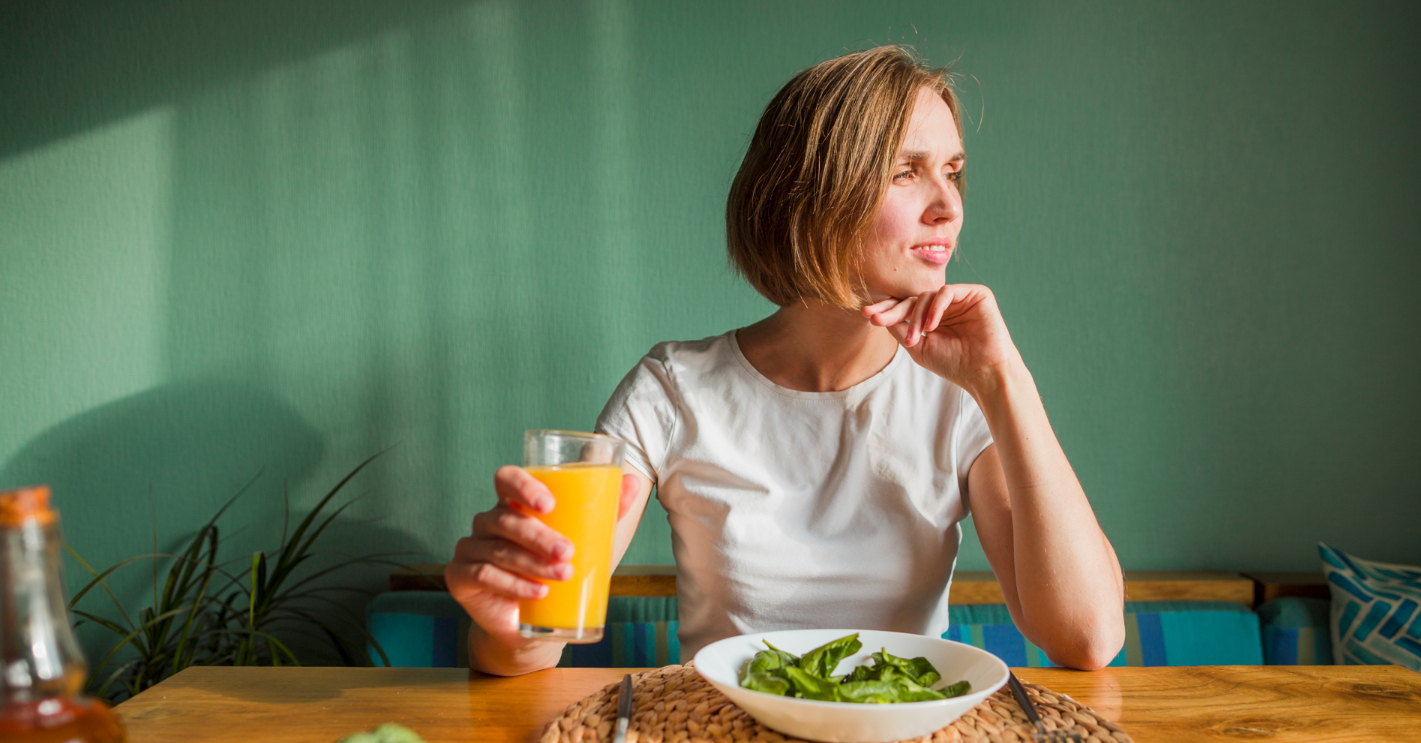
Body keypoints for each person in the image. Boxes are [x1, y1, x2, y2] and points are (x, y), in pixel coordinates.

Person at [448, 46, 1125, 677]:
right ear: (814, 194)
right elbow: (542, 633)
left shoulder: (962, 394)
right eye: (905, 171)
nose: (948, 206)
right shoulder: (673, 391)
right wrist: (506, 625)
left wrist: (1005, 378)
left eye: (952, 171)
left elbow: (1087, 638)